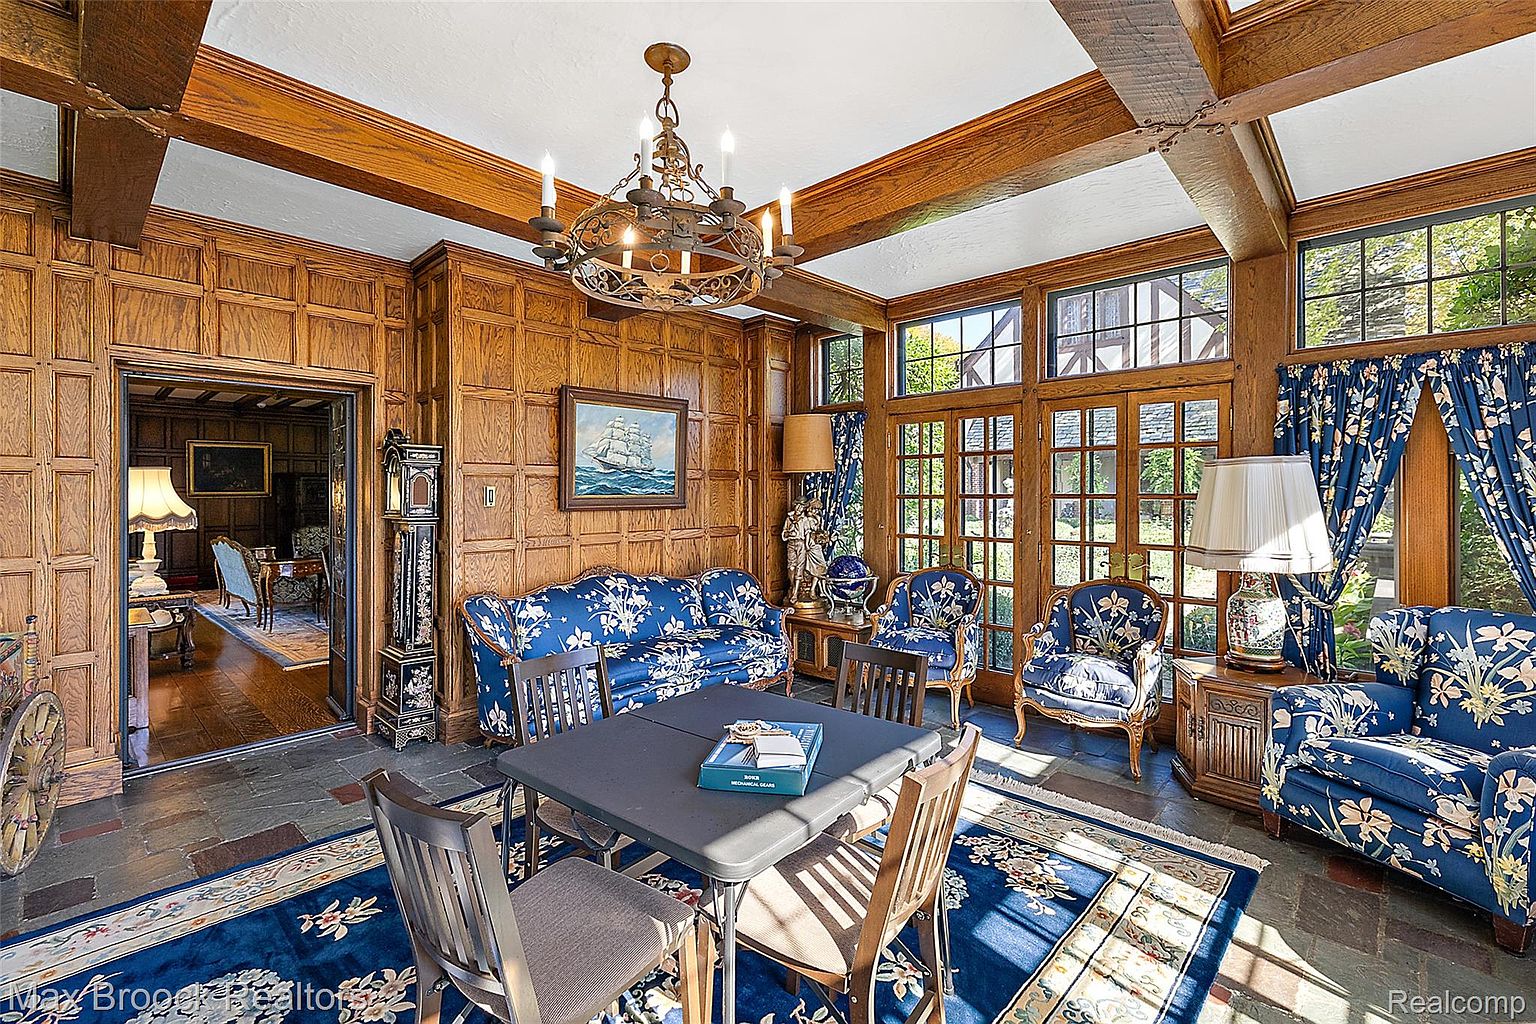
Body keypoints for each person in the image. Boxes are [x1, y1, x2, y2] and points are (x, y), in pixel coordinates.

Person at [782, 496, 830, 607]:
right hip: (793, 544)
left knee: (802, 568)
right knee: (791, 567)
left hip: (803, 544)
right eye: (798, 505)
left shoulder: (806, 519)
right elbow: (784, 532)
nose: (799, 508)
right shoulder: (790, 518)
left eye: (802, 506)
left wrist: (809, 544)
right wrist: (788, 534)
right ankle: (793, 586)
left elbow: (809, 533)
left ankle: (797, 592)